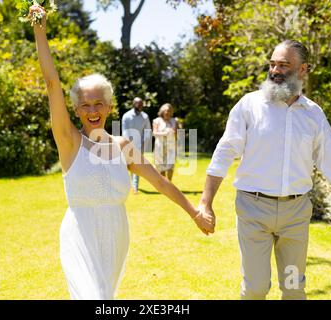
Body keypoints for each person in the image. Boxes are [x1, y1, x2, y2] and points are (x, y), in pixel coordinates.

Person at [29, 4, 215, 300]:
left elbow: (161, 183)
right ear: (76, 110)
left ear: (110, 107)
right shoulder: (69, 142)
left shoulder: (123, 147)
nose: (93, 110)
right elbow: (52, 84)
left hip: (116, 235)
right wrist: (40, 28)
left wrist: (194, 212)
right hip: (81, 236)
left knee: (107, 298)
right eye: (85, 105)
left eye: (99, 103)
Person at [198, 40, 331, 300]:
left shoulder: (313, 114)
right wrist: (205, 203)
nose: (275, 71)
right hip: (254, 211)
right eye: (272, 64)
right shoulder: (249, 106)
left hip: (295, 215)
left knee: (293, 288)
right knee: (255, 288)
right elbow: (223, 154)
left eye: (284, 65)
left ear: (303, 70)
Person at [121, 97, 152, 194]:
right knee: (128, 165)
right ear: (133, 104)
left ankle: (135, 187)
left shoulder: (145, 117)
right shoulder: (126, 116)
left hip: (140, 145)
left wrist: (143, 144)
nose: (140, 106)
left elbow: (147, 131)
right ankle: (128, 185)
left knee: (137, 166)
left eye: (141, 104)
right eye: (138, 104)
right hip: (128, 144)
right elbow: (125, 131)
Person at [153, 103, 179, 181]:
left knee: (171, 166)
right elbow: (154, 133)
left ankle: (169, 183)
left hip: (171, 146)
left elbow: (176, 134)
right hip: (160, 146)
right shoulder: (157, 121)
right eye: (166, 111)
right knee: (161, 167)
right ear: (162, 111)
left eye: (169, 111)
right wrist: (164, 133)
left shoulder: (174, 121)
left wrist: (175, 131)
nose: (167, 113)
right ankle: (165, 185)